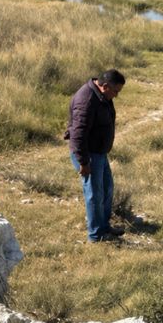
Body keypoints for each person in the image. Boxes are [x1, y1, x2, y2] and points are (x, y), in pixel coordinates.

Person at [64, 69, 127, 243]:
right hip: (88, 155)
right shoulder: (86, 100)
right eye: (116, 91)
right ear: (105, 86)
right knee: (94, 194)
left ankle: (104, 227)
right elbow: (78, 135)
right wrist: (84, 162)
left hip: (99, 153)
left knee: (106, 189)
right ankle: (96, 235)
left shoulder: (102, 95)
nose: (116, 96)